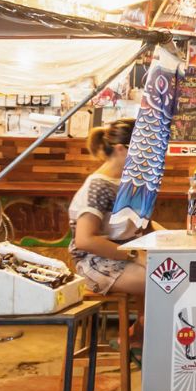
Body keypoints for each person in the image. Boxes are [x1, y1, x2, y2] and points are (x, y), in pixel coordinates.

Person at [69, 119, 149, 295]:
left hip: (127, 256)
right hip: (95, 262)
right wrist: (135, 255)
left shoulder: (131, 181)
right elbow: (85, 240)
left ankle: (147, 316)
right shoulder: (99, 185)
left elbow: (142, 225)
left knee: (177, 274)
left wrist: (175, 239)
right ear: (121, 149)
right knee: (167, 281)